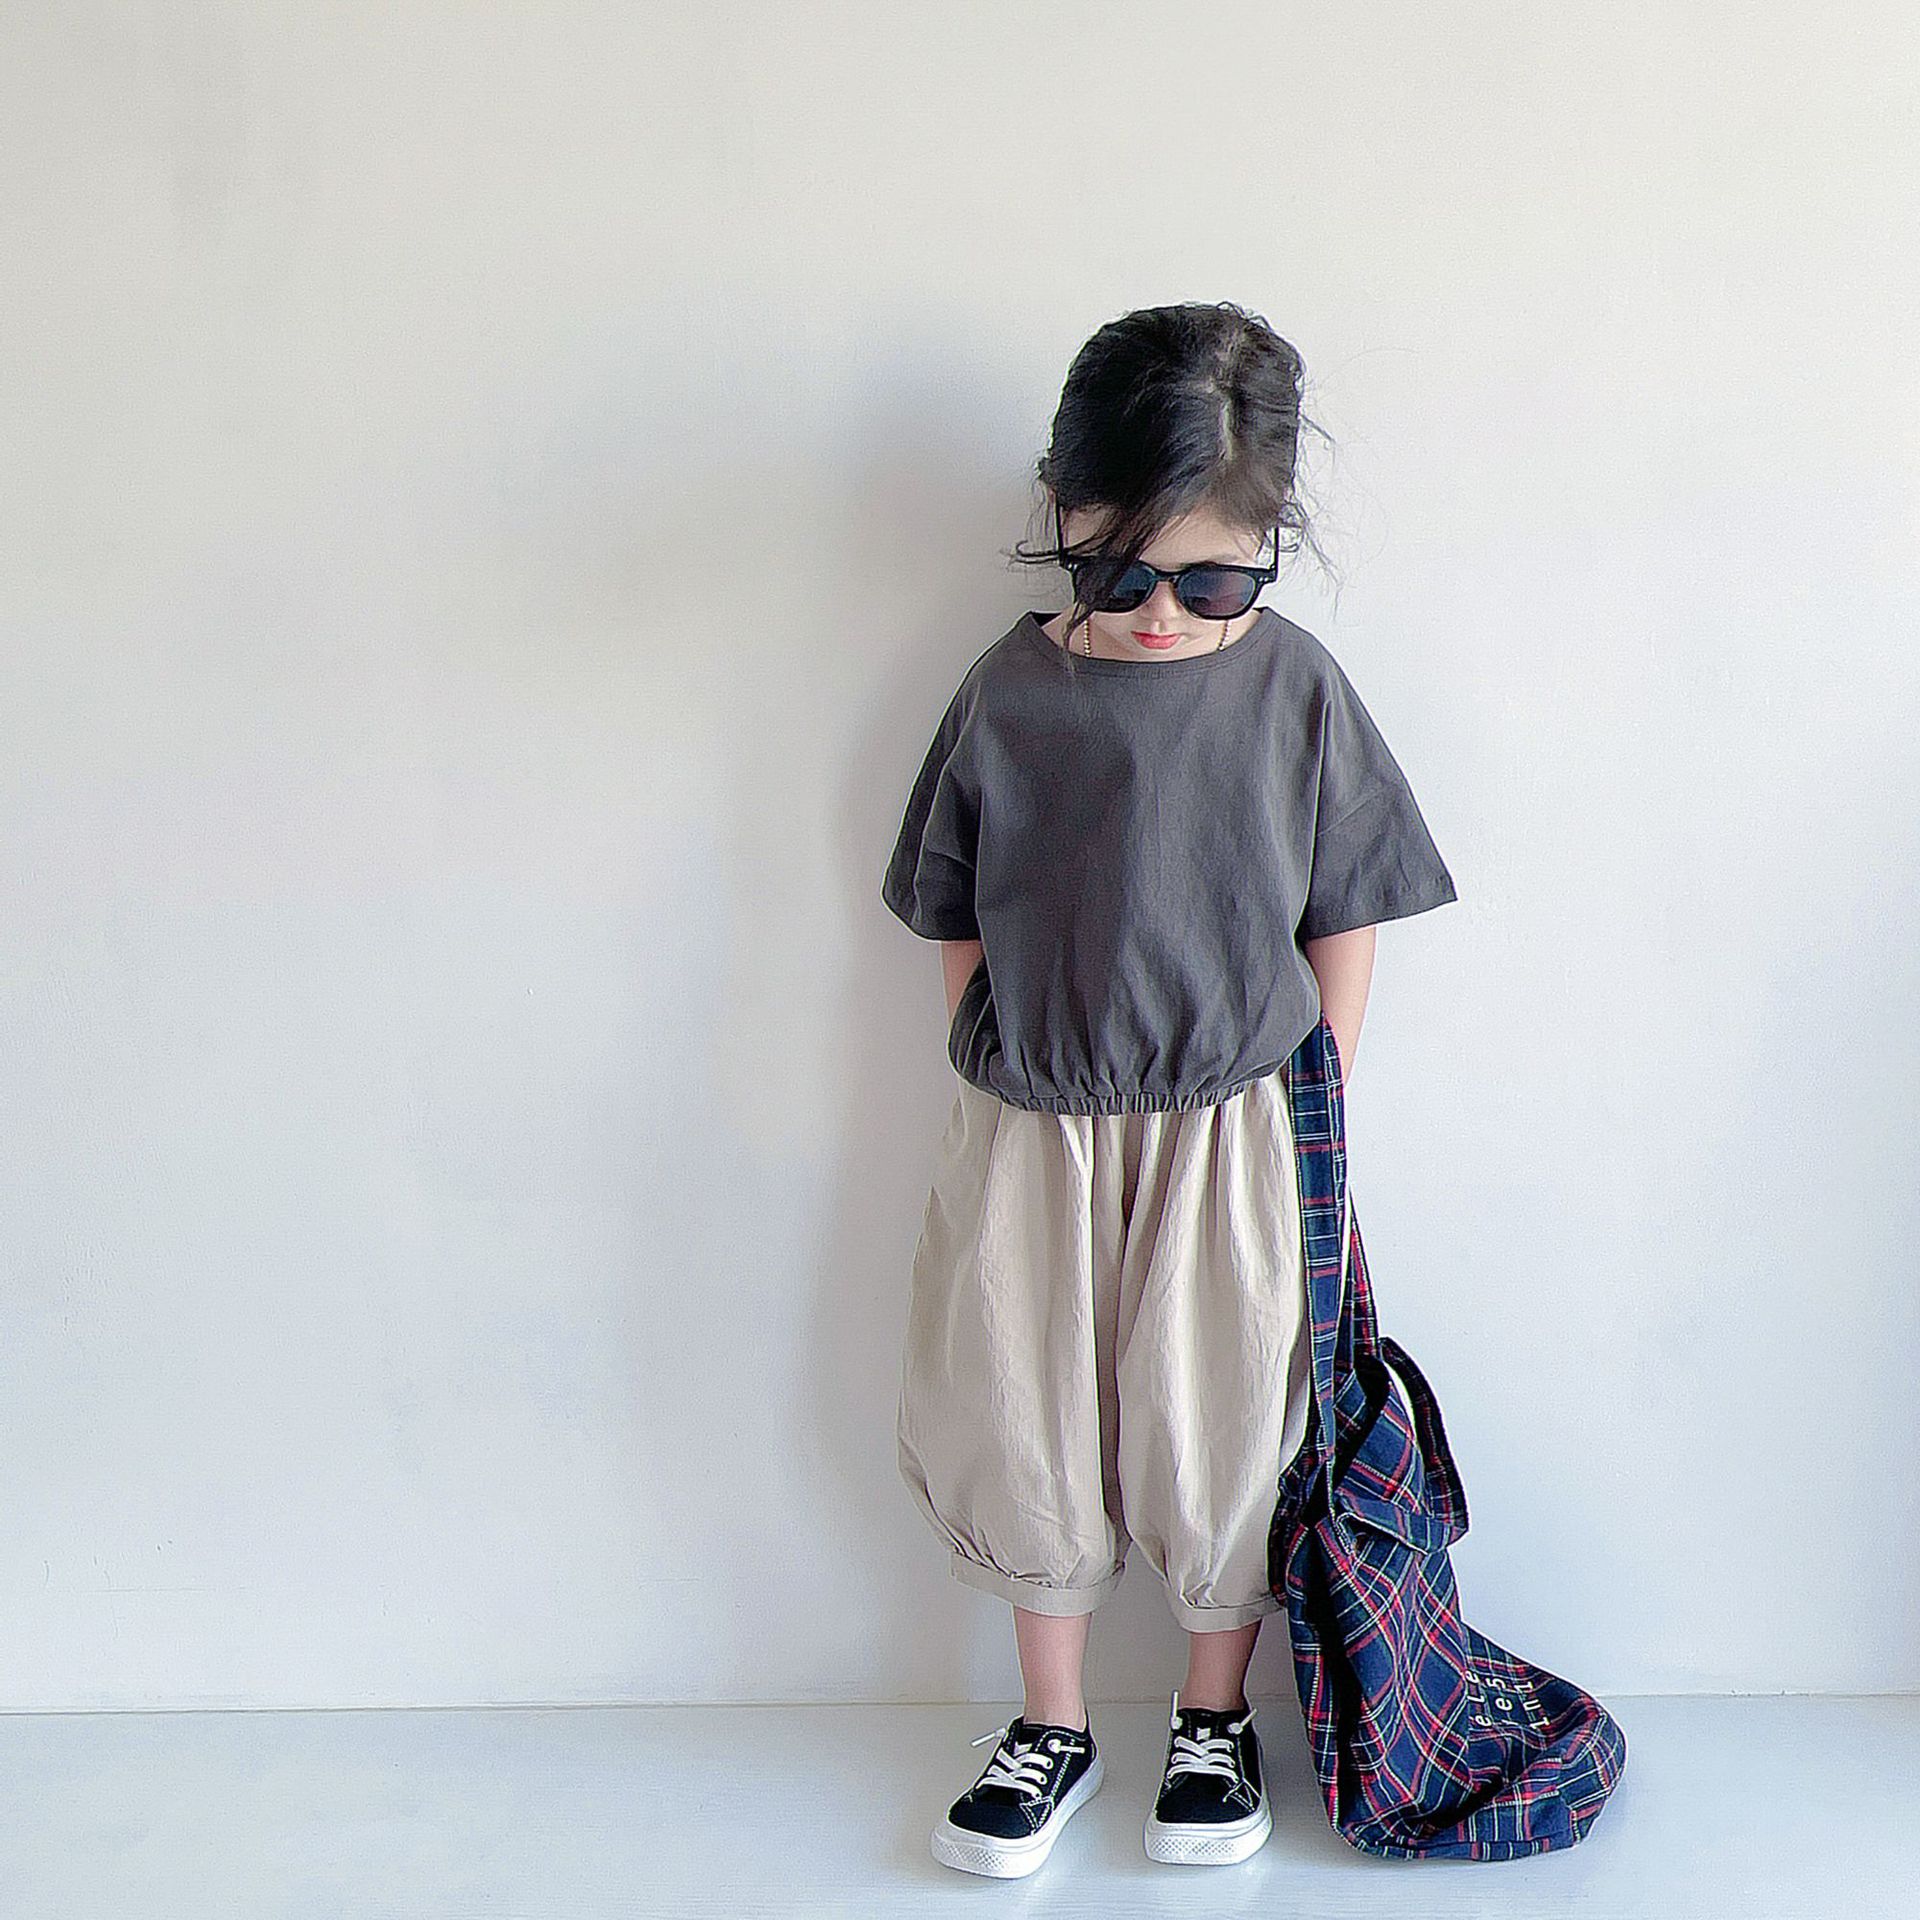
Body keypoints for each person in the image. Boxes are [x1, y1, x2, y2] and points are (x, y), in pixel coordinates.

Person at [880, 302, 1459, 1878]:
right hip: (1033, 1121)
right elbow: (949, 896)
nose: (1160, 615)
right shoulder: (1008, 694)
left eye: (1213, 583)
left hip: (1236, 1124)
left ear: (1271, 546)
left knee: (1225, 1421)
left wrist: (1316, 1088)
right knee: (1021, 1411)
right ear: (1060, 517)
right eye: (1115, 573)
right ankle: (1051, 1724)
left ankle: (1213, 1721)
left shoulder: (1294, 689)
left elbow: (1347, 904)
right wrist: (991, 1046)